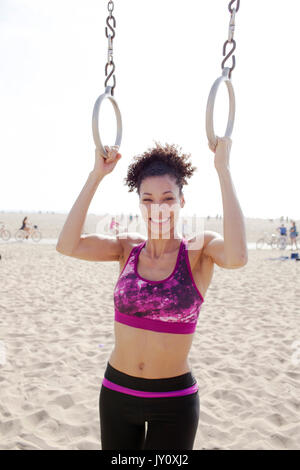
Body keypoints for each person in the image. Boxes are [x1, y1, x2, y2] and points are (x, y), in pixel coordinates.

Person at [56, 139, 248, 450]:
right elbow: (67, 245)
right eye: (148, 199)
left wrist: (223, 170)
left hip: (173, 403)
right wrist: (96, 175)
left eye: (167, 198)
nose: (157, 208)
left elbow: (238, 256)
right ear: (139, 203)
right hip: (116, 393)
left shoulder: (198, 251)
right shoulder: (127, 249)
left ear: (182, 201)